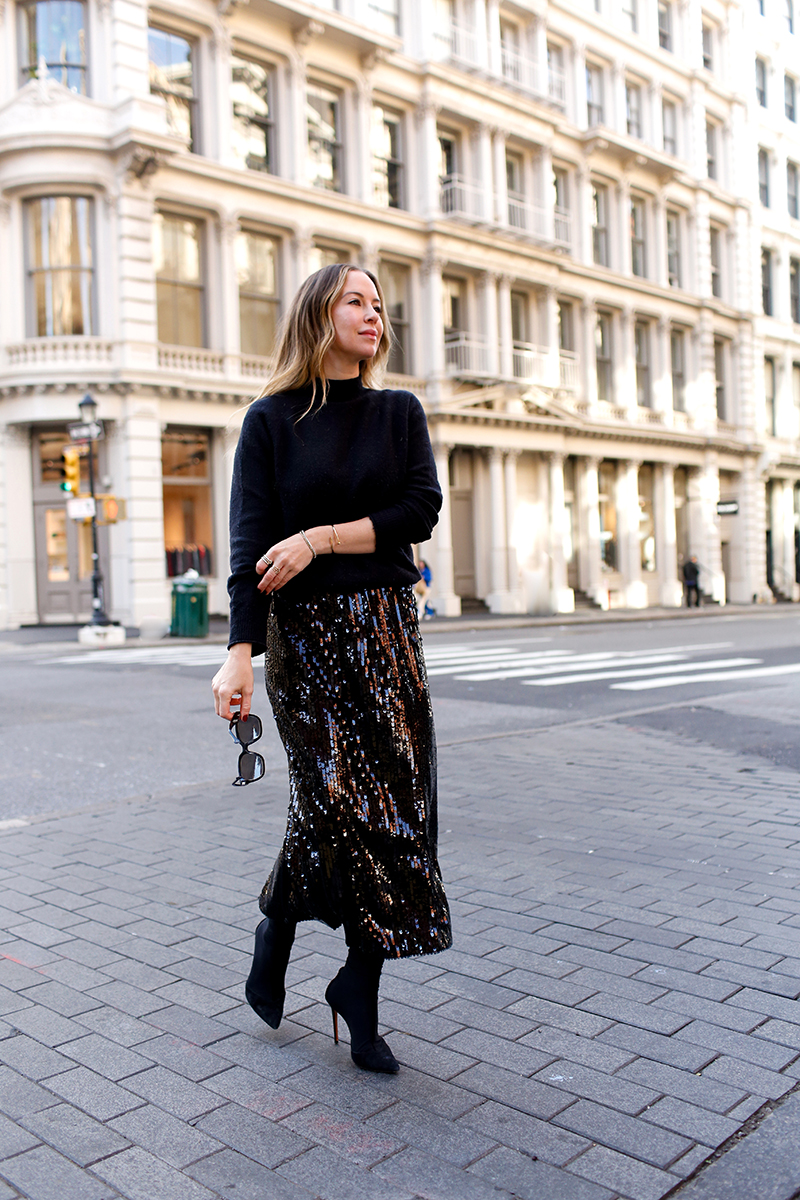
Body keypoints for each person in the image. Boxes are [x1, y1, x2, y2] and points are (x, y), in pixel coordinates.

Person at [211, 263, 452, 1075]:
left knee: (395, 808)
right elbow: (248, 550)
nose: (373, 313)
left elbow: (419, 509)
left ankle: (358, 984)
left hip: (385, 631)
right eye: (356, 300)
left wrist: (320, 538)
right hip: (304, 640)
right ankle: (280, 925)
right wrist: (238, 654)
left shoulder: (397, 412)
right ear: (318, 313)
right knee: (335, 804)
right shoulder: (271, 420)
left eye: (380, 304)